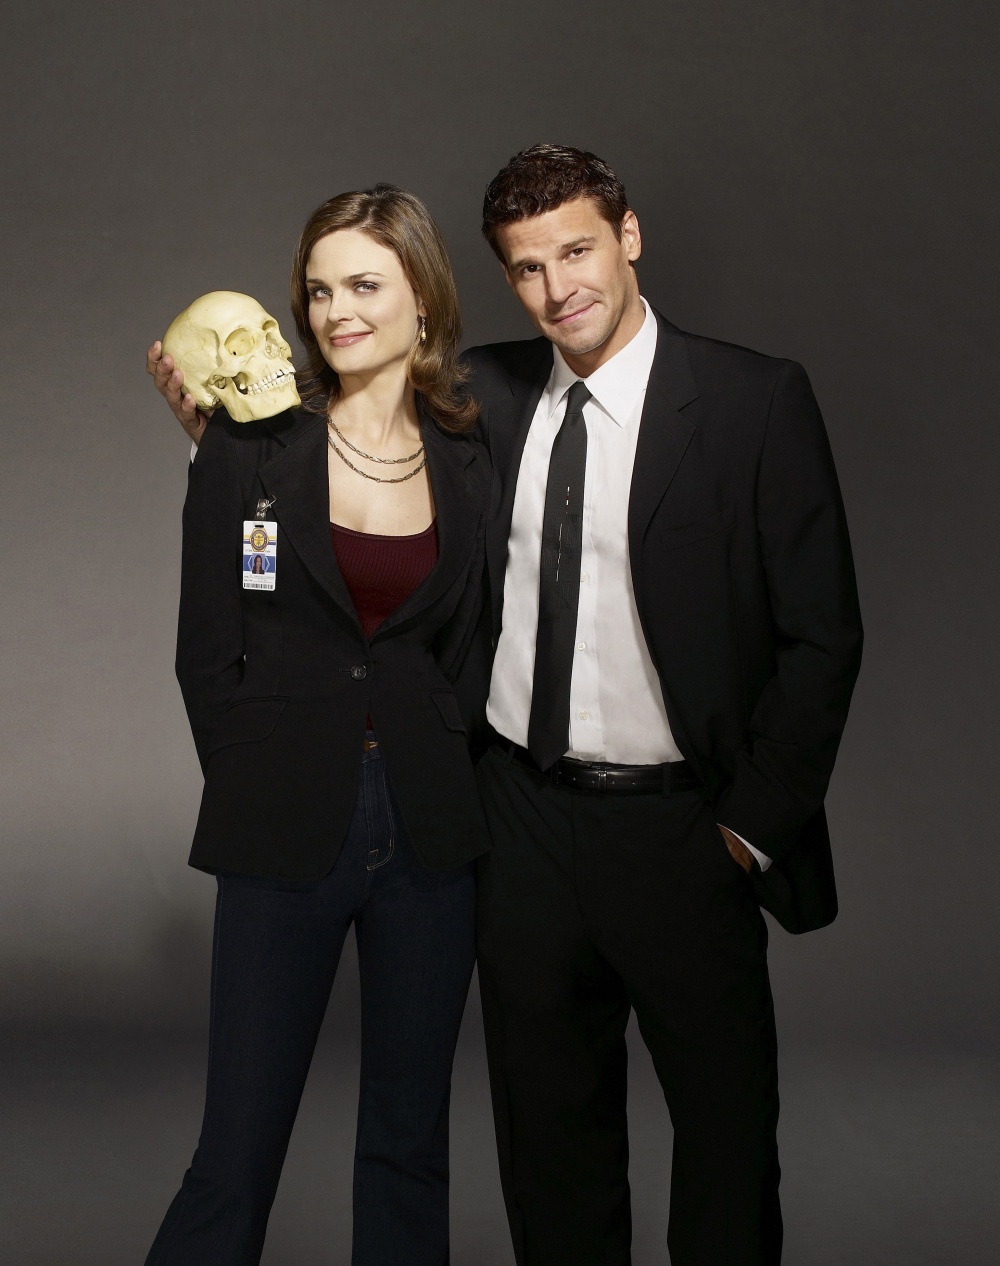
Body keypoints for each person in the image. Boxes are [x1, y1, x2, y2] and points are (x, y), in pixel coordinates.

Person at [149, 145, 863, 1266]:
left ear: (628, 237)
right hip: (517, 827)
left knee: (723, 1149)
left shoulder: (745, 400)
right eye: (527, 268)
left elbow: (823, 635)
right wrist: (229, 449)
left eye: (576, 251)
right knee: (551, 1157)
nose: (556, 288)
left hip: (681, 830)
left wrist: (749, 825)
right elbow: (324, 439)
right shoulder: (491, 396)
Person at [144, 184, 492, 1266]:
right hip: (282, 825)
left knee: (409, 1143)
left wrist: (439, 758)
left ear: (423, 299)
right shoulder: (248, 447)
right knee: (236, 1151)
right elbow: (206, 650)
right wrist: (259, 779)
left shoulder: (470, 457)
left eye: (364, 285)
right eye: (319, 289)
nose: (336, 311)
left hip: (430, 839)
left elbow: (468, 648)